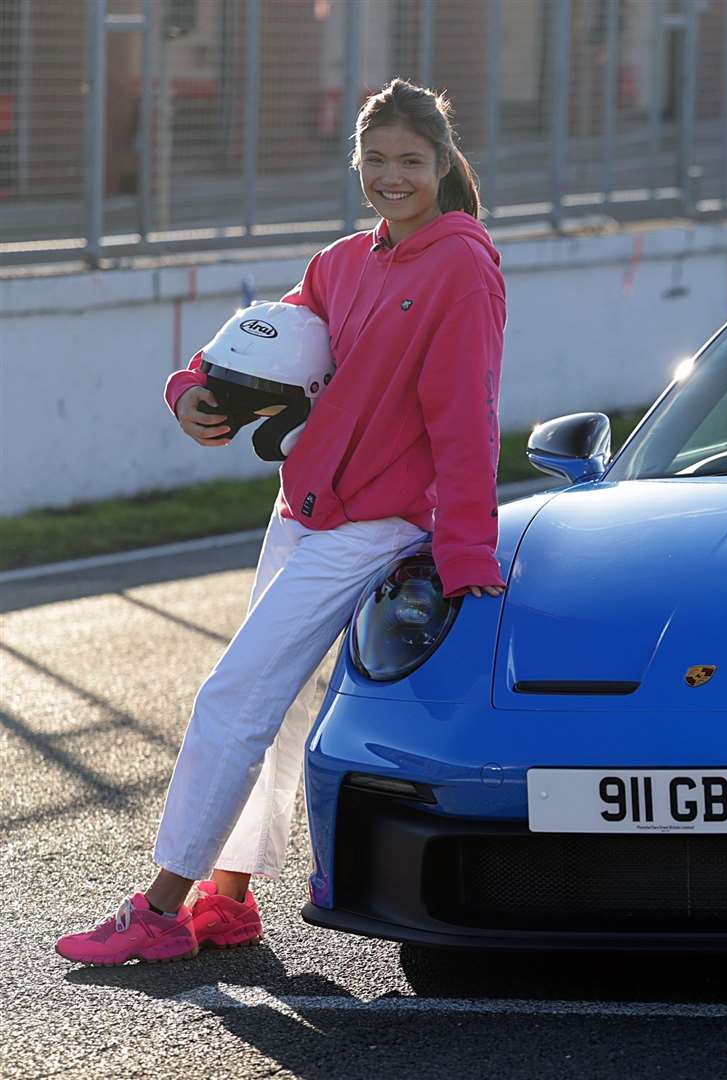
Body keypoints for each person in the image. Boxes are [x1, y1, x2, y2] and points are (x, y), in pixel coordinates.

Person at [56, 78, 507, 964]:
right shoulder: (342, 262)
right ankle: (226, 901)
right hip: (299, 511)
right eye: (375, 160)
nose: (390, 177)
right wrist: (188, 390)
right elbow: (253, 343)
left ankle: (158, 910)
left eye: (410, 161)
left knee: (231, 697)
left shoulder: (463, 264)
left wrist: (467, 556)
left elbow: (466, 419)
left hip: (376, 524)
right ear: (359, 162)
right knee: (276, 709)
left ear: (443, 165)